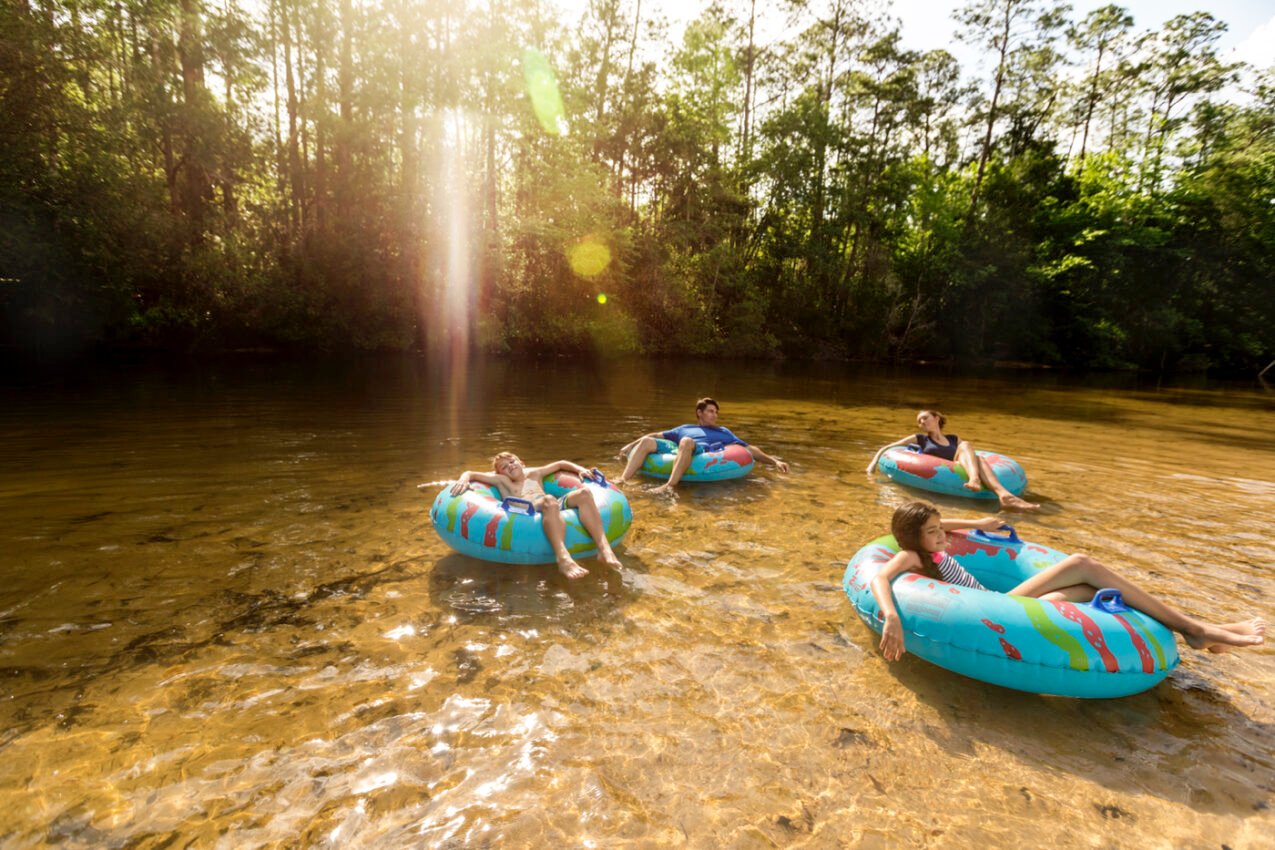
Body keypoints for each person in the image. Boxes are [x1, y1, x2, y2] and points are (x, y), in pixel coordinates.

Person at [870, 500, 1266, 662]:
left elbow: (942, 525)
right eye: (933, 532)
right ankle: (1194, 628)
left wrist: (975, 523)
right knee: (1081, 562)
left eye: (941, 529)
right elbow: (879, 578)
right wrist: (890, 616)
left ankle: (1196, 632)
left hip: (999, 600)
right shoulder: (910, 555)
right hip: (996, 605)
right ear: (912, 538)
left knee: (1091, 591)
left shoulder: (930, 543)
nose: (942, 535)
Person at [449, 453, 623, 579]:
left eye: (512, 461)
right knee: (548, 500)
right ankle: (563, 558)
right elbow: (471, 473)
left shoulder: (535, 474)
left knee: (584, 493)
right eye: (504, 466)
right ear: (499, 473)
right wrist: (464, 478)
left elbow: (561, 463)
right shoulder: (502, 481)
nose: (510, 465)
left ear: (521, 462)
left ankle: (604, 549)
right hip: (525, 511)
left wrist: (580, 469)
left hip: (551, 505)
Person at [866, 409, 1039, 510]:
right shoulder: (921, 439)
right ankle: (1001, 493)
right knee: (976, 457)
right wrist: (872, 465)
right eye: (919, 421)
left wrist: (966, 453)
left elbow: (967, 453)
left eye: (925, 418)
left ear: (937, 418)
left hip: (958, 464)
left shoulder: (954, 438)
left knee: (972, 452)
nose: (922, 422)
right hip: (943, 467)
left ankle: (993, 489)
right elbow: (889, 447)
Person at [614, 397, 789, 493]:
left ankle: (669, 486)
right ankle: (623, 479)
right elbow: (655, 435)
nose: (715, 415)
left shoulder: (723, 432)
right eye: (711, 411)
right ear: (700, 413)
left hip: (699, 451)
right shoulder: (684, 428)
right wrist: (630, 445)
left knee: (686, 442)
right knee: (646, 440)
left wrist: (775, 461)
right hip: (678, 449)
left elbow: (750, 449)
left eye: (716, 412)